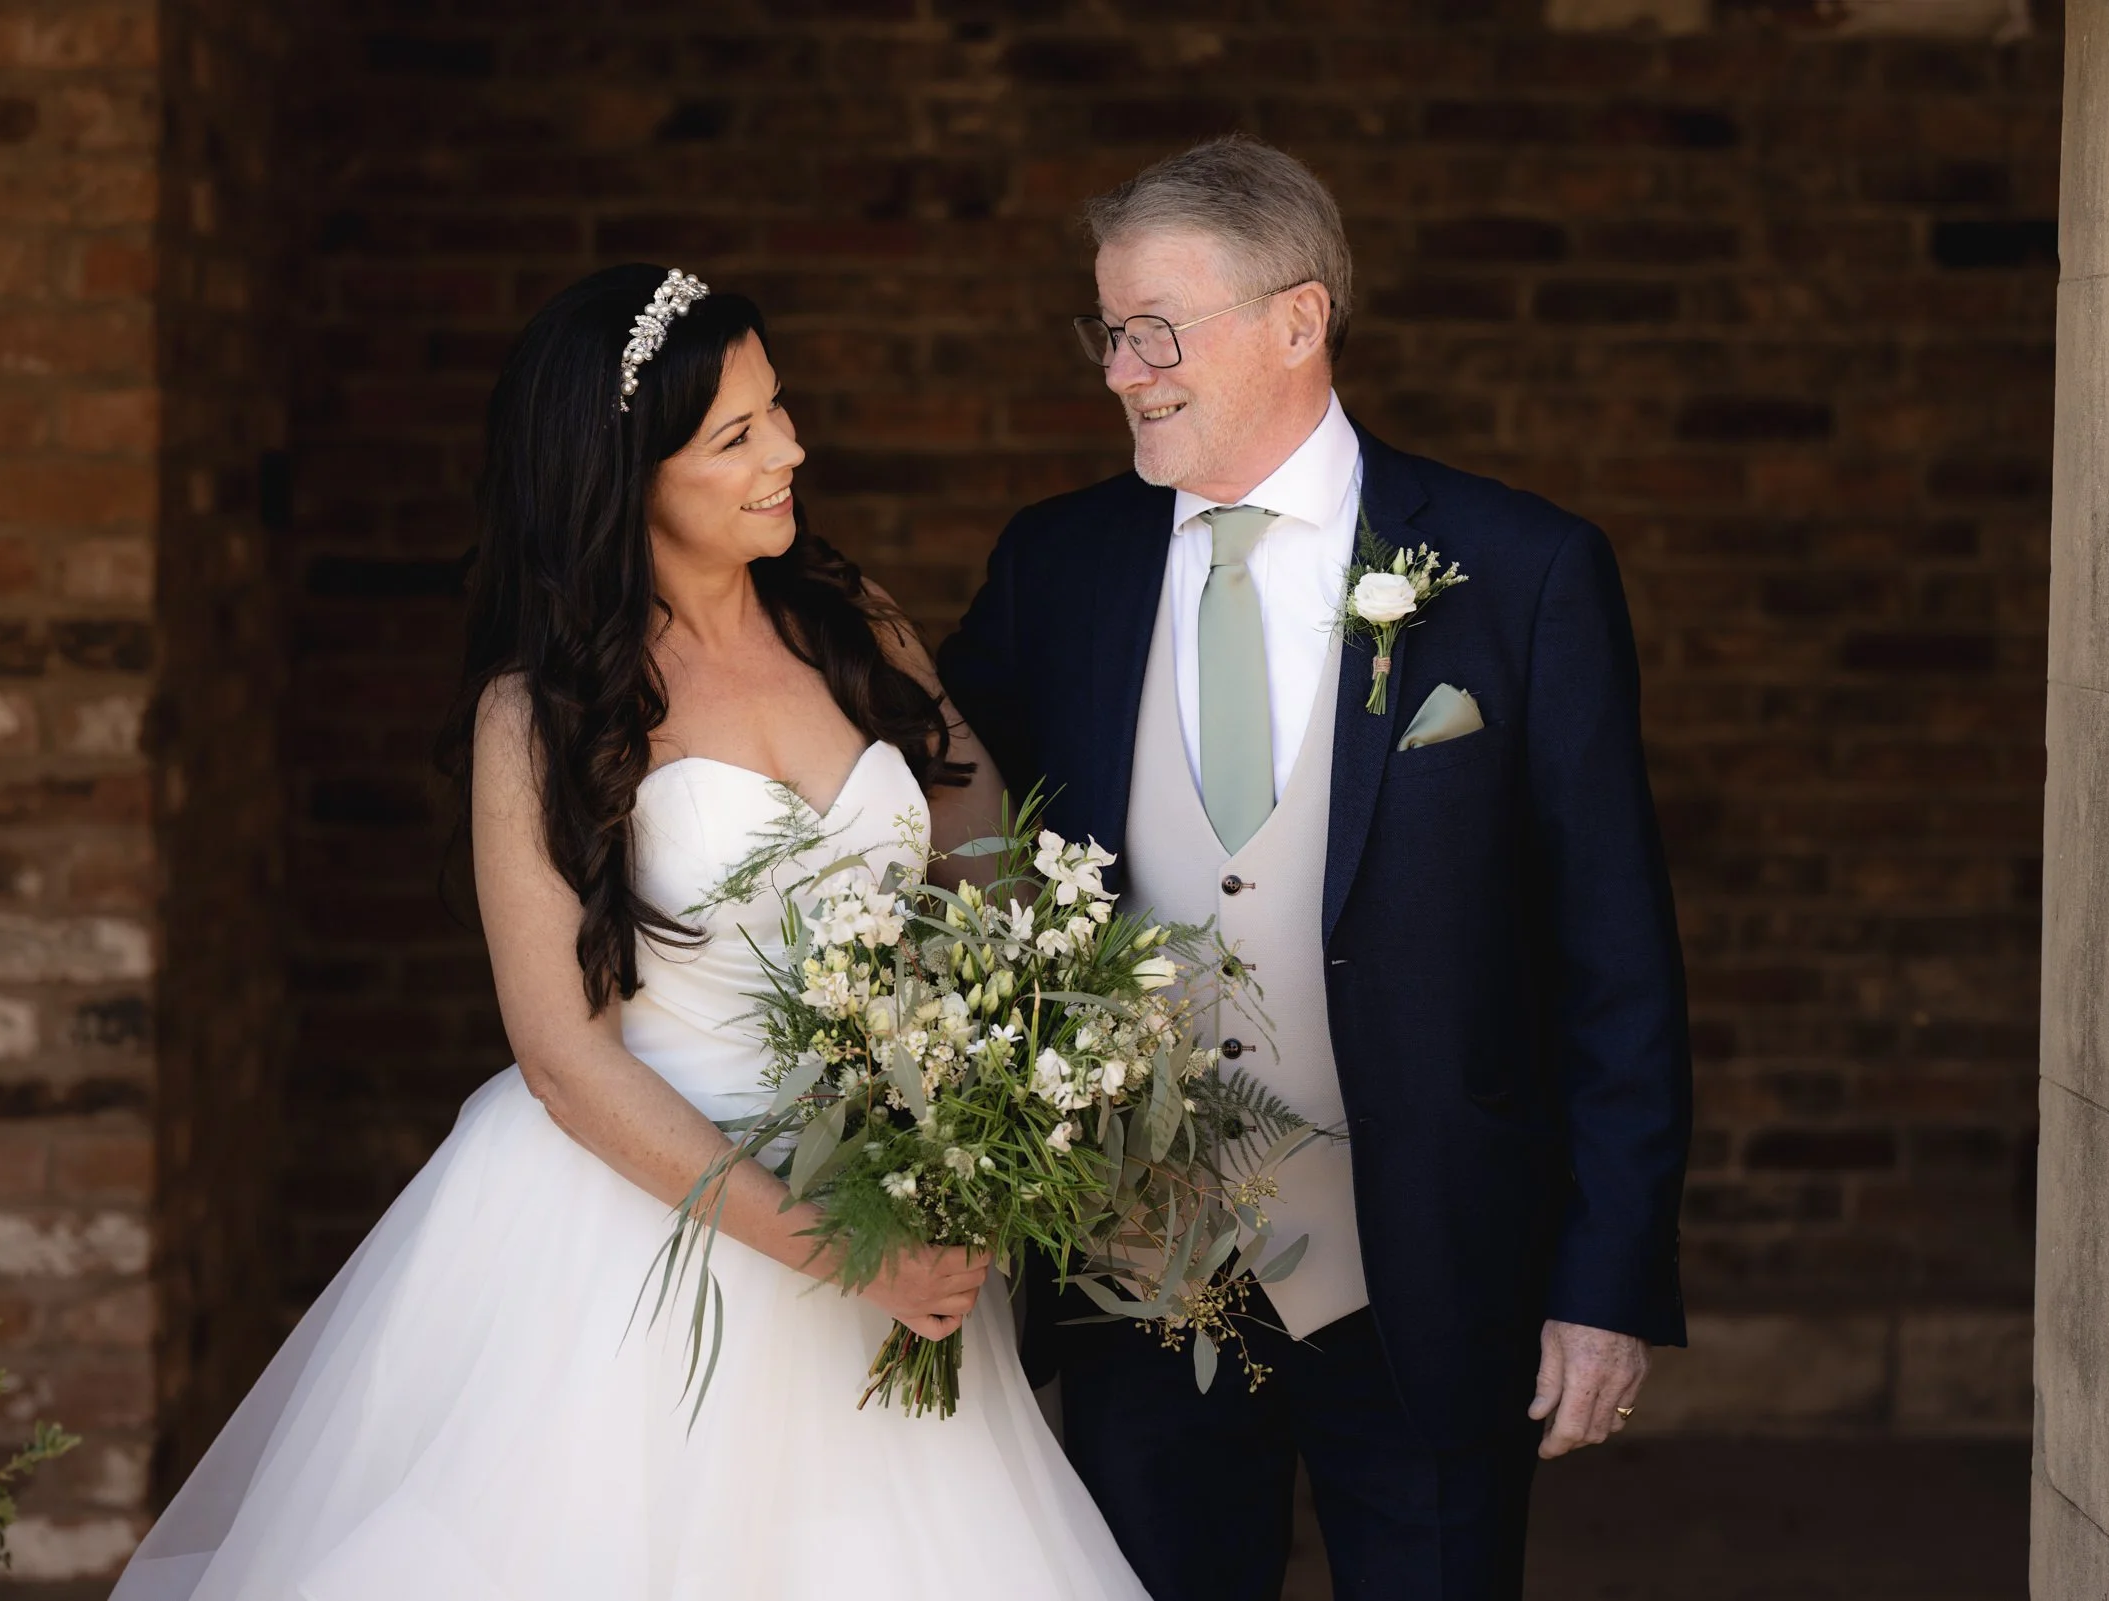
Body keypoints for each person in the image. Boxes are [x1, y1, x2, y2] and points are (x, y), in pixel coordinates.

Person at [108, 265, 1151, 1601]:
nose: (791, 450)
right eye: (737, 436)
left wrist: (995, 1093)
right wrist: (844, 1247)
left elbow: (990, 864)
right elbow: (563, 1054)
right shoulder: (539, 714)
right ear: (625, 478)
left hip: (892, 1180)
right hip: (646, 1236)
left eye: (780, 410)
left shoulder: (850, 623)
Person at [938, 135, 1693, 1601]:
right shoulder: (1059, 566)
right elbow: (936, 824)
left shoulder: (1520, 569)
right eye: (1107, 330)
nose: (1120, 369)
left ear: (1300, 320)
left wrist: (1606, 1289)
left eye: (1157, 329)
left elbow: (1616, 959)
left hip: (1427, 1285)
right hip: (1133, 1285)